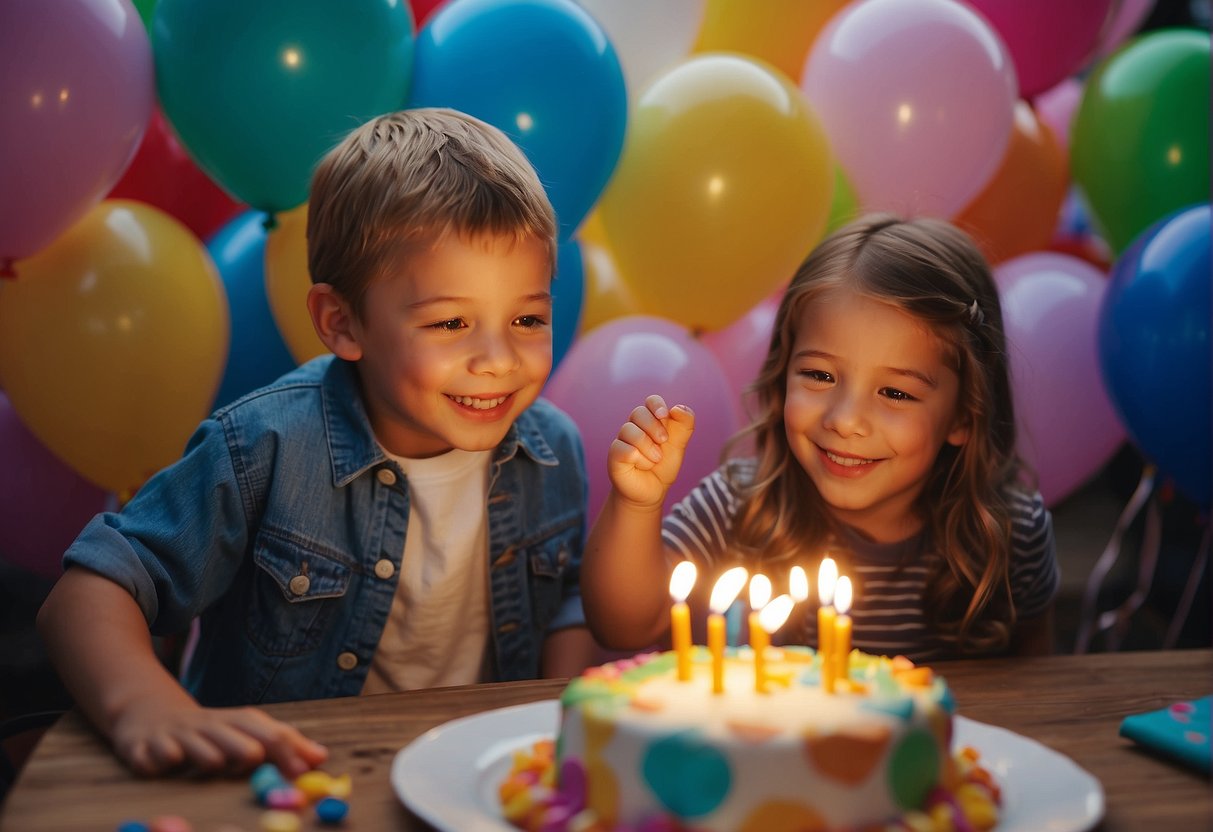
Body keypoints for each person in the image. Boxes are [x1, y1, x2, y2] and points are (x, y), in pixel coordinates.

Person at [37, 108, 595, 777]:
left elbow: (566, 595)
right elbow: (86, 593)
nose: (498, 359)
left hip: (471, 784)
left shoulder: (553, 449)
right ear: (342, 323)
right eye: (451, 323)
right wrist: (146, 706)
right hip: (294, 784)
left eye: (527, 317)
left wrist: (555, 713)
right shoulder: (263, 448)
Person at [583, 213, 1058, 661]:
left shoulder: (1010, 535)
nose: (845, 419)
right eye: (820, 376)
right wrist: (637, 504)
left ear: (964, 416)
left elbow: (1032, 686)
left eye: (895, 392)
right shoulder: (737, 507)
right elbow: (623, 628)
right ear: (781, 373)